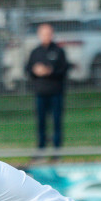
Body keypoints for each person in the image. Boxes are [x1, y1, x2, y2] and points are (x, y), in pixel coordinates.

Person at [25, 22, 68, 151]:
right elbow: (27, 69)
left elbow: (64, 69)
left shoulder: (59, 51)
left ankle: (57, 149)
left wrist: (50, 71)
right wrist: (35, 71)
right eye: (43, 34)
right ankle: (41, 148)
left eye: (48, 34)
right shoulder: (35, 52)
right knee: (41, 122)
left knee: (56, 121)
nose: (46, 36)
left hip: (56, 92)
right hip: (40, 93)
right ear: (39, 35)